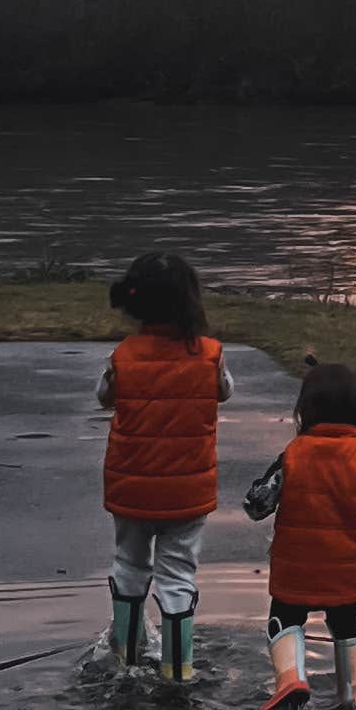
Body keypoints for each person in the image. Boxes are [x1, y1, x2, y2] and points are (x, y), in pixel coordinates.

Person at [240, 355, 356, 710]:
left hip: (296, 573)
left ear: (304, 411)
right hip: (345, 574)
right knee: (345, 626)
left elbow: (257, 504)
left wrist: (260, 490)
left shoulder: (293, 456)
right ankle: (352, 691)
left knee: (285, 621)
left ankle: (290, 680)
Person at [97, 250, 231, 682]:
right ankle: (178, 670)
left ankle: (126, 661)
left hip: (132, 489)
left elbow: (105, 396)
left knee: (130, 566)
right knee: (177, 577)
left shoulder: (124, 355)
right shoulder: (210, 355)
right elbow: (224, 391)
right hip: (186, 494)